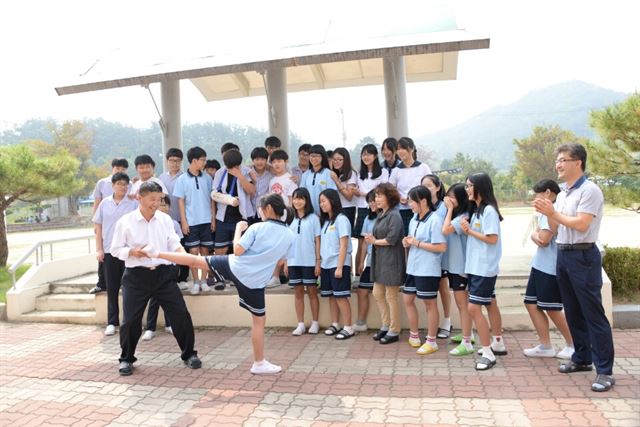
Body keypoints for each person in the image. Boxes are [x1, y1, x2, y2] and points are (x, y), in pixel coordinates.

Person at [144, 193, 295, 375]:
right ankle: (259, 362)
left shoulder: (257, 228)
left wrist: (239, 229)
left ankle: (157, 254)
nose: (260, 212)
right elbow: (282, 261)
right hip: (255, 282)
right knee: (259, 323)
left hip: (235, 266)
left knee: (195, 260)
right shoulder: (289, 234)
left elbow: (238, 250)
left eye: (261, 209)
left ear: (268, 209)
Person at [533, 143, 614, 392]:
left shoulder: (590, 191)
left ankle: (605, 372)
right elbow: (559, 227)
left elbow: (580, 224)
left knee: (593, 314)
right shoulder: (566, 192)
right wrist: (545, 216)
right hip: (564, 255)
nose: (558, 164)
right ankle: (581, 358)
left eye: (563, 160)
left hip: (583, 256)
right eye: (557, 160)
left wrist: (552, 214)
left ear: (577, 162)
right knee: (573, 311)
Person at [110, 181, 201, 376]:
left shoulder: (165, 220)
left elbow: (173, 243)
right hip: (136, 276)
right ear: (139, 198)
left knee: (180, 314)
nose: (156, 203)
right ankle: (126, 359)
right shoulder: (125, 222)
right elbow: (115, 249)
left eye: (159, 199)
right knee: (130, 321)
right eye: (152, 199)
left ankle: (189, 354)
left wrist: (185, 255)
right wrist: (134, 252)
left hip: (163, 274)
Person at [524, 179, 574, 359]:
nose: (535, 199)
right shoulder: (545, 213)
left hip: (550, 267)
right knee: (531, 303)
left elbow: (543, 240)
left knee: (552, 307)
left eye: (537, 194)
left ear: (547, 193)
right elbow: (538, 235)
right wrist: (535, 234)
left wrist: (534, 234)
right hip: (539, 265)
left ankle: (573, 344)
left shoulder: (552, 212)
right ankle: (545, 345)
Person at [461, 172, 505, 371]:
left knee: (473, 308)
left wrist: (469, 231)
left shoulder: (488, 211)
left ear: (480, 187)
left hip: (484, 267)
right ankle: (497, 342)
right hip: (477, 266)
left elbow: (492, 238)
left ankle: (487, 352)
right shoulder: (477, 209)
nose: (467, 189)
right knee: (490, 303)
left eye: (470, 186)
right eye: (466, 186)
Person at [402, 185, 447, 354]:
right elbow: (413, 240)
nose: (409, 204)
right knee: (408, 299)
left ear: (423, 201)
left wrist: (417, 243)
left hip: (428, 269)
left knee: (430, 304)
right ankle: (414, 335)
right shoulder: (414, 219)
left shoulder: (435, 220)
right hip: (413, 267)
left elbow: (441, 247)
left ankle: (431, 341)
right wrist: (407, 242)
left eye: (412, 201)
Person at [92, 172, 137, 336]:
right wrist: (99, 249)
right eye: (119, 184)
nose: (122, 187)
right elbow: (98, 227)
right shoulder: (104, 204)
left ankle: (129, 320)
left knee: (129, 287)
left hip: (127, 251)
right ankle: (112, 321)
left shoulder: (133, 203)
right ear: (113, 186)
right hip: (110, 251)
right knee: (112, 288)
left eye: (125, 184)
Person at [364, 183, 406, 344]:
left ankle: (394, 329)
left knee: (391, 295)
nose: (377, 199)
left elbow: (392, 239)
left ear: (390, 197)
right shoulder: (382, 214)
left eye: (380, 196)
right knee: (377, 293)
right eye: (376, 196)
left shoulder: (394, 215)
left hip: (391, 260)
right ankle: (385, 324)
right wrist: (373, 240)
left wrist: (374, 241)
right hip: (380, 259)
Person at [211, 148, 257, 290]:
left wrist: (240, 176)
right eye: (231, 166)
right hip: (223, 216)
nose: (233, 168)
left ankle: (237, 277)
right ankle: (219, 278)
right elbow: (214, 194)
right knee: (220, 249)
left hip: (241, 217)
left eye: (236, 165)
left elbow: (251, 191)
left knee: (240, 249)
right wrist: (213, 218)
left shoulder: (246, 171)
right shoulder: (220, 173)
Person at [174, 146, 216, 295]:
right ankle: (196, 281)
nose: (204, 162)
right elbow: (180, 202)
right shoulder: (182, 179)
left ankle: (204, 281)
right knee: (192, 252)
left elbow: (212, 199)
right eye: (203, 160)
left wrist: (213, 218)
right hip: (191, 222)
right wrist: (184, 221)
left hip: (206, 220)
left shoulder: (207, 178)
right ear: (194, 160)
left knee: (205, 252)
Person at [143, 195, 183, 340]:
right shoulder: (150, 223)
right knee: (154, 298)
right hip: (156, 266)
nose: (163, 207)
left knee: (170, 297)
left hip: (171, 265)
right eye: (160, 205)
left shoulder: (173, 223)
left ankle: (169, 324)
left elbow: (177, 243)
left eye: (165, 204)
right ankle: (150, 327)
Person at [442, 183, 475, 356]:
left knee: (463, 304)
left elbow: (446, 230)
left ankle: (467, 341)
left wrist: (448, 210)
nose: (449, 200)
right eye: (448, 196)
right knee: (462, 304)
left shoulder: (463, 217)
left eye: (453, 197)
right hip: (454, 265)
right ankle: (466, 334)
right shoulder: (458, 215)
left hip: (460, 267)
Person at [318, 189, 355, 340]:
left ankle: (348, 327)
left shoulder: (342, 219)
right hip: (326, 264)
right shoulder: (326, 221)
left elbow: (344, 245)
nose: (321, 205)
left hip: (338, 264)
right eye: (320, 202)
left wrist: (340, 267)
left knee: (341, 296)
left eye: (324, 201)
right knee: (332, 296)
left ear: (332, 201)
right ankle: (335, 324)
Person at [89, 157, 129, 295]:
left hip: (126, 246)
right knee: (104, 261)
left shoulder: (131, 200)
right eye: (118, 168)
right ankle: (101, 284)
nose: (120, 170)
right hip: (107, 228)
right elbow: (97, 202)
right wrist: (95, 222)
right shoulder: (102, 184)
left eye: (123, 169)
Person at [286, 188, 321, 335]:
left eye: (301, 198)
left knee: (312, 292)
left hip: (309, 261)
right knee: (298, 293)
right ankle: (300, 324)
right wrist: (286, 261)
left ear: (306, 200)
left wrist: (318, 261)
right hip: (293, 261)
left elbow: (317, 241)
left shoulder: (314, 218)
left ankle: (315, 322)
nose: (297, 201)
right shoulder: (289, 218)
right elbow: (286, 241)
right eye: (295, 198)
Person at [422, 174, 453, 339]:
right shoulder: (422, 206)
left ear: (438, 187)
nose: (426, 189)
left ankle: (447, 321)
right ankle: (433, 324)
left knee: (443, 286)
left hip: (443, 252)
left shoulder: (444, 206)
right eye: (423, 186)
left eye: (429, 185)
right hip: (427, 256)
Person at [353, 144, 389, 275]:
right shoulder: (359, 173)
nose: (366, 157)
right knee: (361, 241)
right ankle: (358, 274)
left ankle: (376, 271)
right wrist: (360, 193)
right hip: (363, 209)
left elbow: (383, 190)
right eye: (363, 154)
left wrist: (363, 194)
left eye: (368, 154)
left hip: (378, 209)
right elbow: (356, 190)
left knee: (376, 238)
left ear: (375, 156)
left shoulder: (383, 172)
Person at [159, 148, 189, 288]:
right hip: (164, 220)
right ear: (167, 161)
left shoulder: (185, 177)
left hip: (181, 219)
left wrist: (184, 221)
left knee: (183, 248)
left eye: (177, 161)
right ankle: (169, 279)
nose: (175, 163)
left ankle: (183, 278)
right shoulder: (161, 178)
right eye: (172, 160)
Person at [388, 137, 432, 235]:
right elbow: (390, 189)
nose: (400, 151)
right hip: (403, 210)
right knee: (405, 237)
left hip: (421, 208)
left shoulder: (423, 167)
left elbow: (429, 186)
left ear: (411, 149)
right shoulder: (396, 170)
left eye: (403, 148)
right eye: (398, 149)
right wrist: (399, 198)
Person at [354, 190, 377, 332]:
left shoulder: (390, 216)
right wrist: (361, 262)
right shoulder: (368, 219)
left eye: (374, 200)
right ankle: (361, 323)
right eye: (369, 201)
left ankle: (388, 325)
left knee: (385, 294)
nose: (372, 203)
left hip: (384, 263)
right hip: (370, 263)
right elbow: (364, 243)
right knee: (362, 290)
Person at [299, 145, 337, 214]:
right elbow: (302, 194)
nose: (314, 158)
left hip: (324, 212)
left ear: (322, 157)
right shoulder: (305, 175)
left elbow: (331, 195)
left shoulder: (328, 174)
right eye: (312, 156)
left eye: (317, 156)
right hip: (309, 213)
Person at [330, 148, 358, 231]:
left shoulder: (351, 174)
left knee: (345, 235)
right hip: (336, 208)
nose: (336, 162)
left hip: (347, 209)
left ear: (345, 160)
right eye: (334, 159)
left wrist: (336, 181)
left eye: (339, 160)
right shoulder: (336, 173)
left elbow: (349, 196)